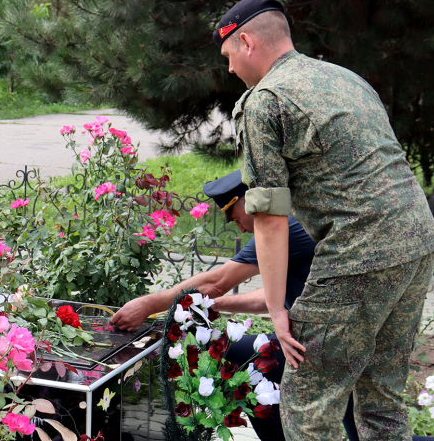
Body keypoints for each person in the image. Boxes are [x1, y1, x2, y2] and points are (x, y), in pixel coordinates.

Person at [215, 0, 434, 440]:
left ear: (246, 41)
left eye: (228, 57)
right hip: (418, 245)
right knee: (383, 398)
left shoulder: (263, 101)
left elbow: (269, 216)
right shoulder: (344, 78)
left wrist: (278, 310)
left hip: (358, 255)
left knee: (309, 408)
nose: (228, 70)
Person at [111, 170, 361, 441]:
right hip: (339, 337)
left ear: (247, 201)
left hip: (324, 343)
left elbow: (217, 281)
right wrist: (217, 304)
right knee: (366, 432)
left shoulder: (285, 227)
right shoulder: (295, 220)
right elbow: (271, 297)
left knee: (240, 356)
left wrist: (148, 304)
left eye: (235, 218)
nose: (240, 228)